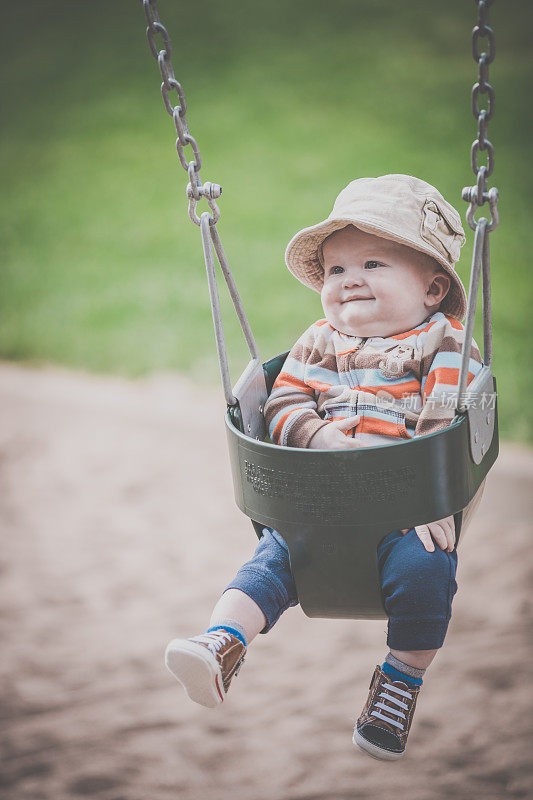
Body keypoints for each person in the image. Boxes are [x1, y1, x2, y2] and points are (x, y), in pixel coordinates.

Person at [164, 174, 483, 761]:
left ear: (433, 287)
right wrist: (323, 438)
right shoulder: (318, 341)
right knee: (269, 564)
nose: (348, 279)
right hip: (318, 505)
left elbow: (447, 420)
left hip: (404, 512)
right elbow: (282, 405)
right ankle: (221, 644)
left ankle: (398, 684)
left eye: (373, 263)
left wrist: (432, 496)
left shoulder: (444, 344)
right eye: (335, 270)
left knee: (427, 575)